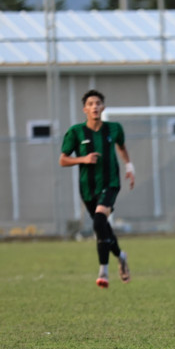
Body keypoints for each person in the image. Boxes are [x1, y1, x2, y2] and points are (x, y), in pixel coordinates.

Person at [59, 89, 134, 289]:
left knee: (100, 220)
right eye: (90, 104)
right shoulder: (76, 132)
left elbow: (122, 146)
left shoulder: (114, 128)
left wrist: (129, 166)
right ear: (85, 109)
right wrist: (83, 158)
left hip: (110, 184)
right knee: (103, 227)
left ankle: (104, 271)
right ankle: (121, 256)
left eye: (98, 103)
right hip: (87, 188)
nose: (94, 107)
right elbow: (63, 159)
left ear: (103, 107)